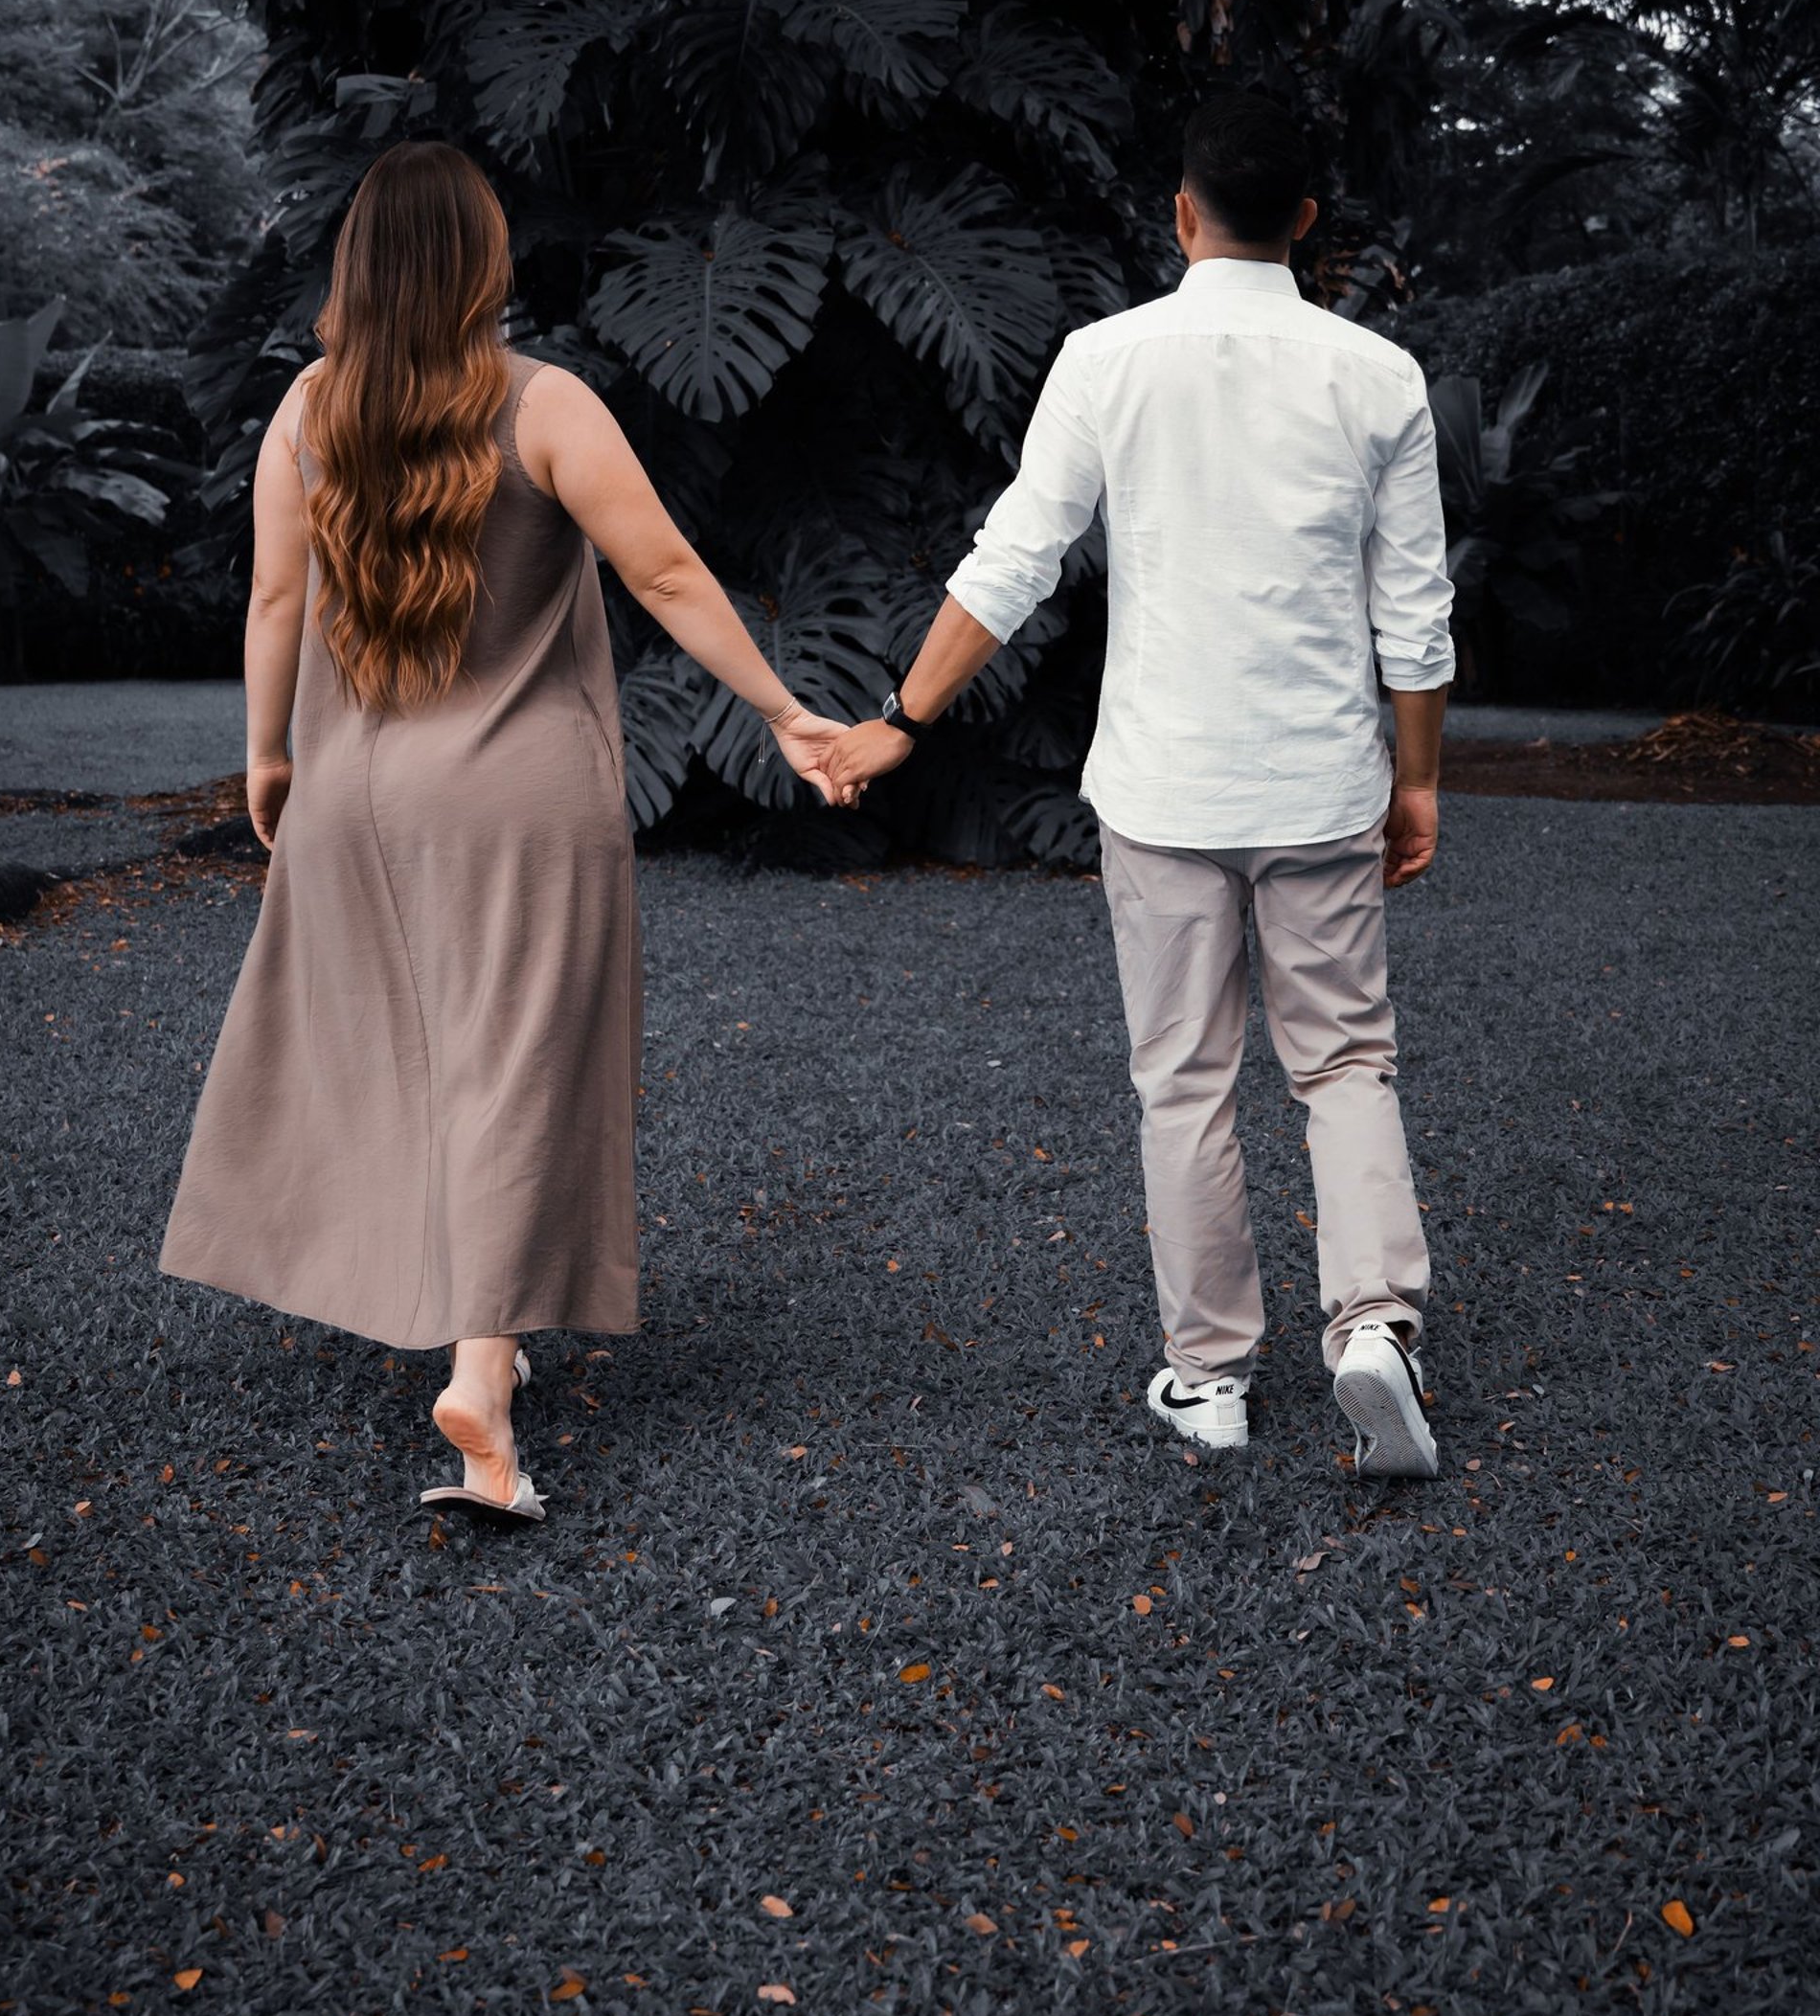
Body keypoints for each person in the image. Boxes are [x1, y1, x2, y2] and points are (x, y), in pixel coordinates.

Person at [161, 143, 849, 1521]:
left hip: (358, 795)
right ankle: (481, 1370)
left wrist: (267, 754)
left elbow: (277, 609)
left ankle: (460, 1325)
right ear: (486, 265)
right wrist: (783, 710)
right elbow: (660, 570)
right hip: (523, 798)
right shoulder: (546, 405)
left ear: (357, 269)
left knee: (397, 1052)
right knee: (515, 1061)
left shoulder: (305, 410)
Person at [824, 93, 1456, 1478]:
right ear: (1306, 223)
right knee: (1345, 1061)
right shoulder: (1377, 376)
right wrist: (1417, 786)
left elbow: (1012, 564)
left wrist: (899, 721)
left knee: (1183, 1080)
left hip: (1164, 788)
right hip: (1321, 783)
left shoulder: (1105, 361)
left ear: (1183, 212)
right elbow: (1414, 613)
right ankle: (1372, 1335)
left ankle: (1210, 1378)